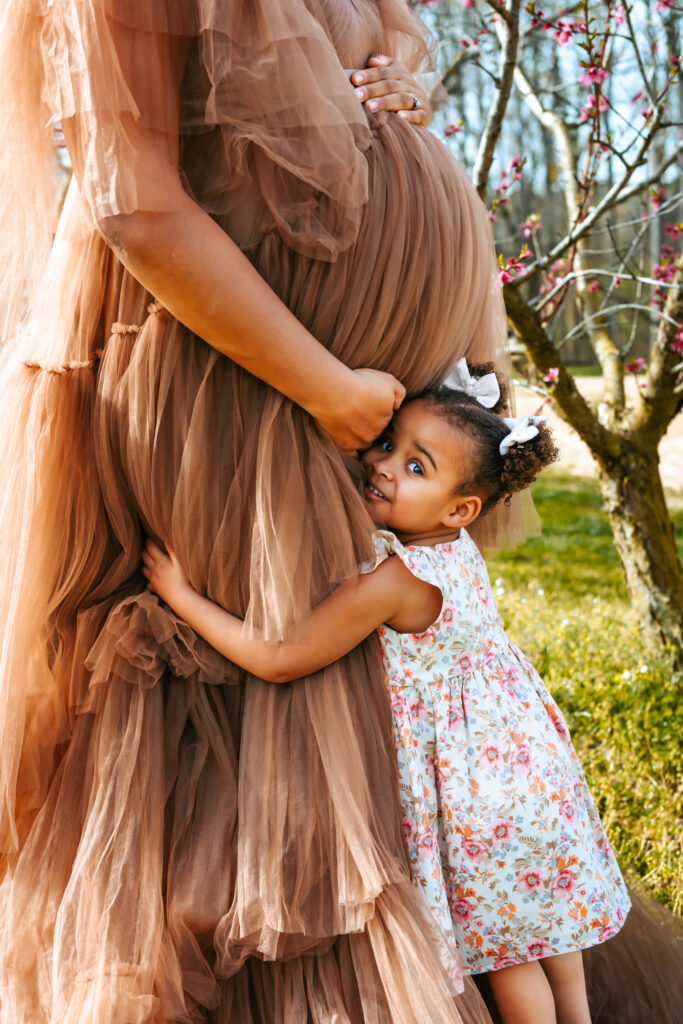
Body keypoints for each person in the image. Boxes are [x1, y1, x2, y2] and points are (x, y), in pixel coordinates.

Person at [0, 0, 520, 1020]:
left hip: (349, 399)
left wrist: (400, 78)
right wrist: (324, 384)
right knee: (235, 701)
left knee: (347, 687)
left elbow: (384, 36)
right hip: (238, 389)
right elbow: (132, 197)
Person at [142, 378, 632, 1024]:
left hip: (477, 799)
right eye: (386, 444)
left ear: (459, 509)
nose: (379, 464)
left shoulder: (396, 581)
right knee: (550, 937)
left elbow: (279, 656)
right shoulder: (453, 553)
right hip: (532, 771)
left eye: (414, 465)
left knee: (507, 958)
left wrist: (180, 595)